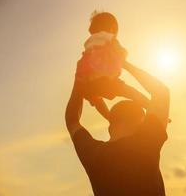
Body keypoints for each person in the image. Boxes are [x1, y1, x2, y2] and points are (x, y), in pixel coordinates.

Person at [65, 60, 170, 196]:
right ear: (140, 122)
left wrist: (79, 79)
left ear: (110, 126)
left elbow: (72, 120)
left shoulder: (94, 155)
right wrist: (123, 62)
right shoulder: (145, 143)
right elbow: (161, 91)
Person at [76, 11, 149, 120]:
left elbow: (85, 60)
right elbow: (121, 53)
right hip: (108, 80)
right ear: (112, 28)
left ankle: (110, 118)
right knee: (131, 92)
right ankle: (151, 106)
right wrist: (124, 53)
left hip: (90, 83)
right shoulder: (110, 38)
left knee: (97, 101)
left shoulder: (88, 43)